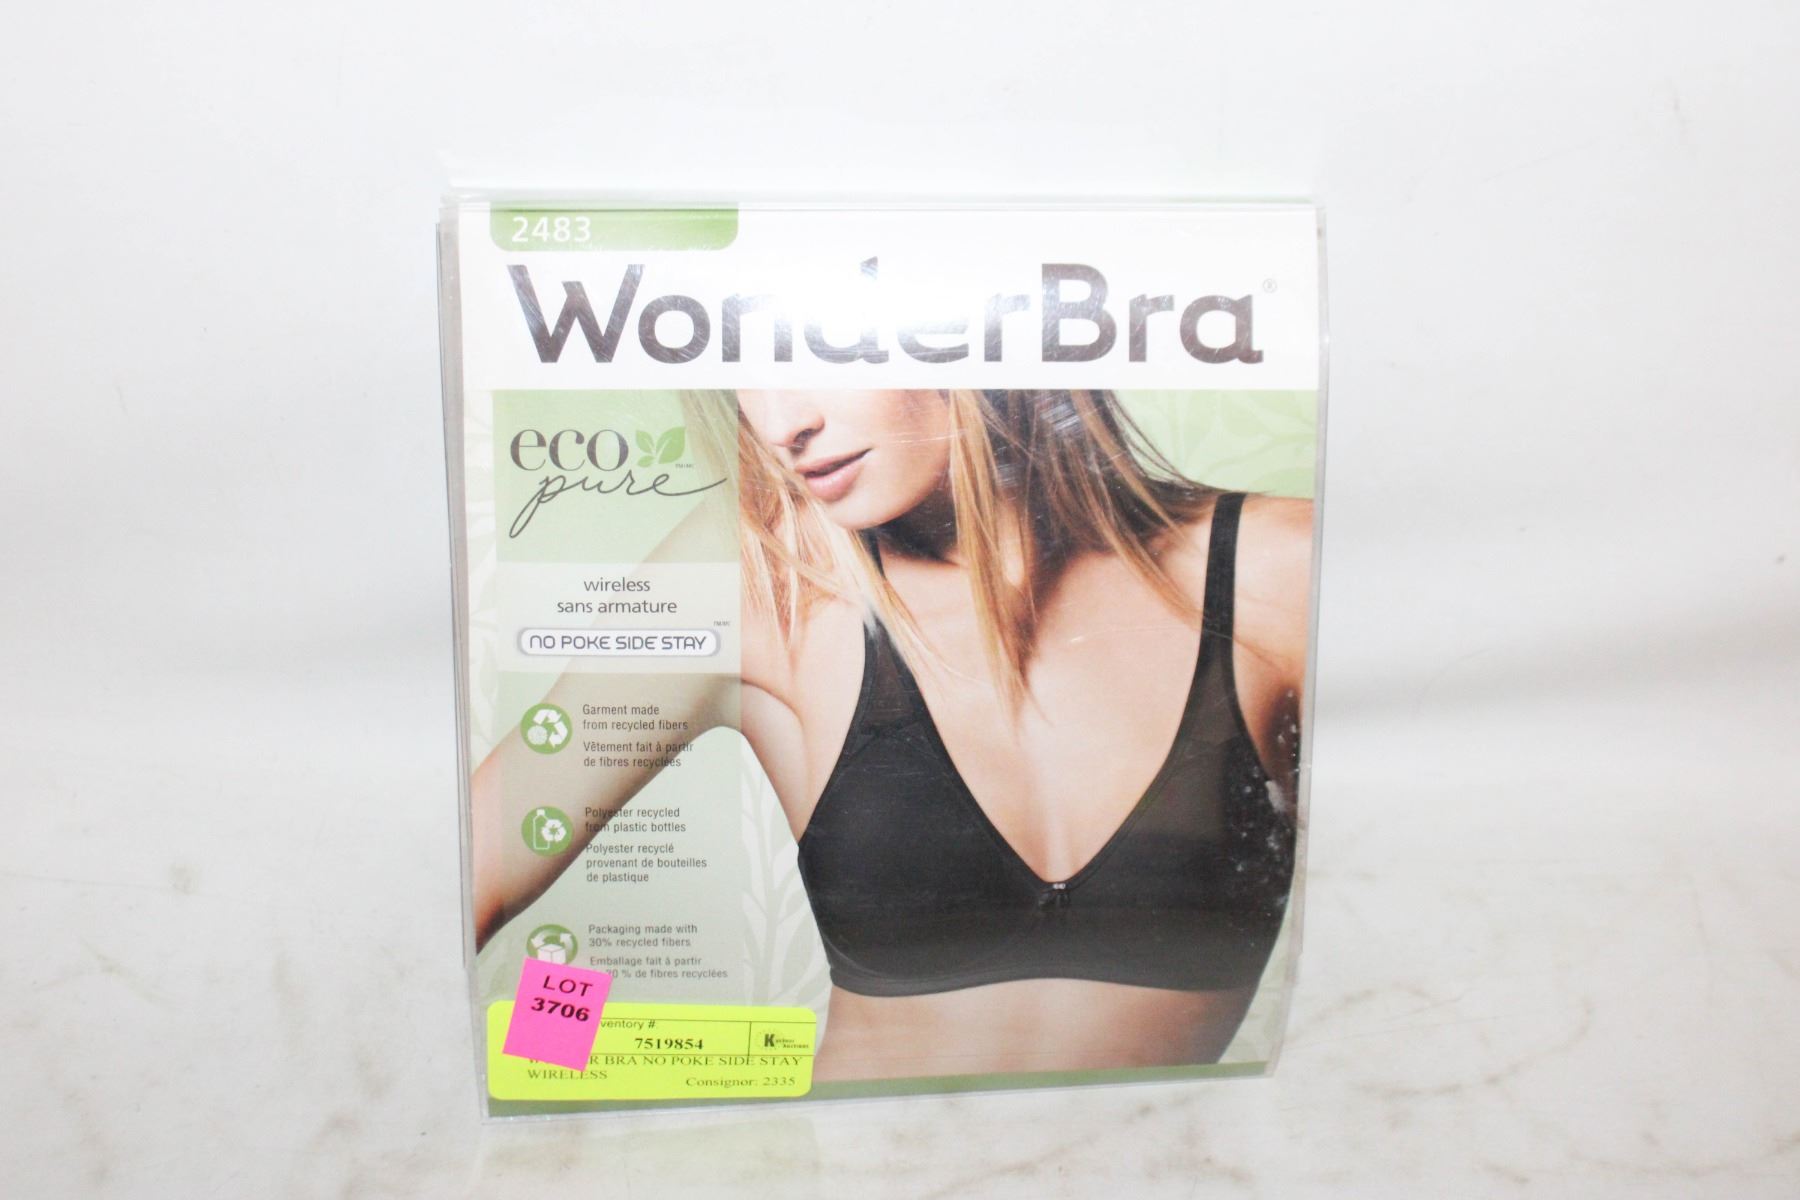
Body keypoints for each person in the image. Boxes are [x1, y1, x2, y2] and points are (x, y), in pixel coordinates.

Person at [473, 389, 1312, 1081]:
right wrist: (584, 1078)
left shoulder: (1281, 570)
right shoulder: (763, 579)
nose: (781, 424)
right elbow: (461, 873)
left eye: (822, 354)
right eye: (747, 374)